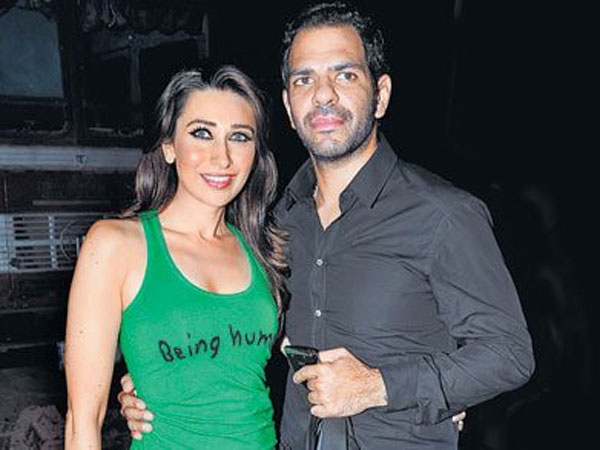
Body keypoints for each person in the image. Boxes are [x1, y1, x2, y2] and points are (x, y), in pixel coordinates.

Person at [119, 2, 535, 448]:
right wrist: (157, 379)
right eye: (304, 79)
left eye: (345, 75)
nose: (323, 95)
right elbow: (239, 334)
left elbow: (510, 354)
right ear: (288, 105)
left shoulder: (442, 215)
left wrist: (380, 386)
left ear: (381, 95)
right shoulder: (274, 222)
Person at [63, 65, 287, 449]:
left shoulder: (264, 248)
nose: (222, 157)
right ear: (169, 145)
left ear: (256, 154)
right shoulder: (116, 245)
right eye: (202, 133)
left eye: (239, 137)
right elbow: (82, 420)